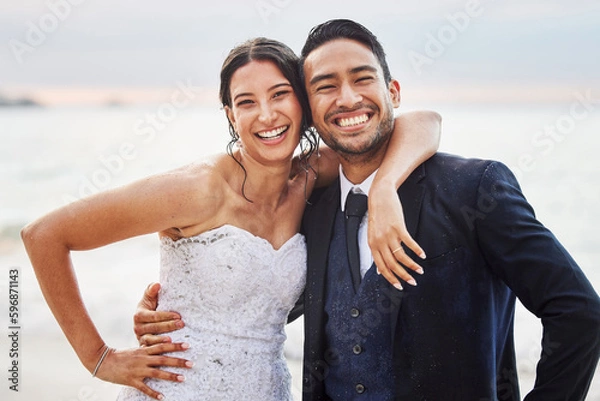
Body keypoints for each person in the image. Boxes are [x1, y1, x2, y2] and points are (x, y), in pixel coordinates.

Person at [135, 20, 600, 400]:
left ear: (394, 91)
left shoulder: (473, 188)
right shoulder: (311, 205)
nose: (348, 99)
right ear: (311, 110)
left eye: (362, 78)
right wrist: (181, 310)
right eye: (325, 87)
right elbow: (272, 299)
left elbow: (578, 311)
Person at [21, 37, 441, 400]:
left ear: (304, 103)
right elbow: (45, 235)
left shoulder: (310, 177)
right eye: (246, 102)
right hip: (176, 389)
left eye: (279, 94)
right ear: (230, 115)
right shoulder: (198, 188)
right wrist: (99, 358)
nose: (267, 115)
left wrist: (384, 187)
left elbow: (423, 123)